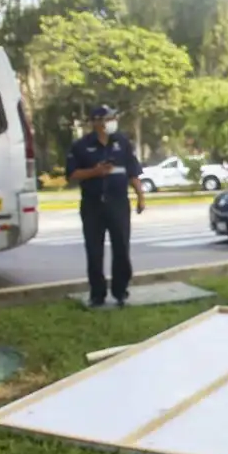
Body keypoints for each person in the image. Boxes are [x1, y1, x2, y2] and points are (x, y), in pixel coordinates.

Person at [65, 105, 145, 307]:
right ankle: (97, 294)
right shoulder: (81, 146)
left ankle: (120, 291)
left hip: (118, 204)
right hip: (93, 206)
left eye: (113, 118)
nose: (111, 122)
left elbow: (133, 173)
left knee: (121, 248)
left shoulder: (122, 143)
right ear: (96, 122)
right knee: (94, 251)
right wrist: (95, 172)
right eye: (107, 119)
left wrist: (140, 196)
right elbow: (72, 175)